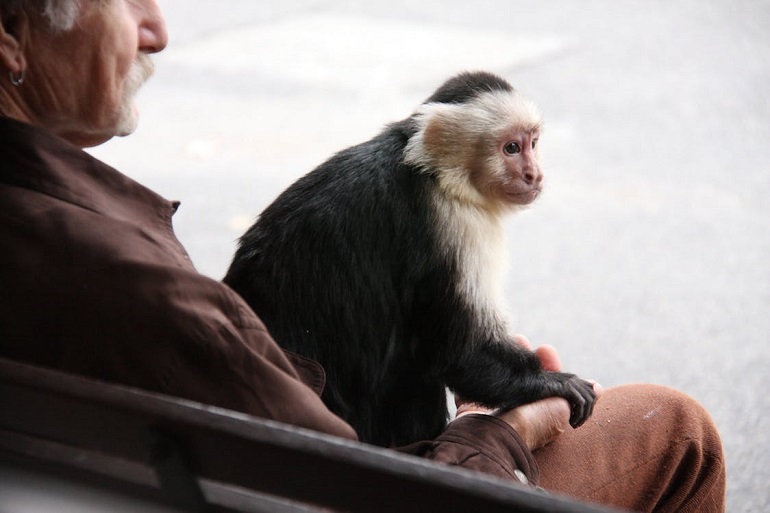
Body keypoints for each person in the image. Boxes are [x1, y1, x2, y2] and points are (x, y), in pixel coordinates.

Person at [0, 1, 725, 511]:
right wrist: (499, 428)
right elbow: (349, 487)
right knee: (676, 427)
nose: (159, 30)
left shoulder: (48, 237)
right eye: (125, 0)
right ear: (11, 35)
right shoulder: (131, 285)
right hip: (370, 480)